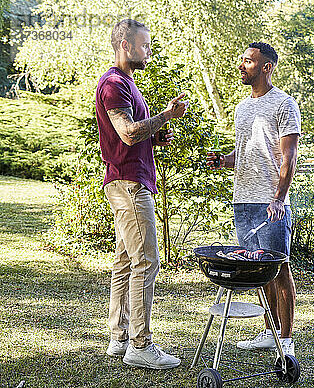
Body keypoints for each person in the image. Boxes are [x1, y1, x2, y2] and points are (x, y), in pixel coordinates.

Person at [95, 19, 187, 370]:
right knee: (147, 261)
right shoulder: (114, 84)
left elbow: (134, 135)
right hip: (130, 184)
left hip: (126, 180)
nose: (148, 50)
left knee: (124, 261)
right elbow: (129, 134)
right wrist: (165, 116)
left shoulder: (126, 84)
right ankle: (140, 344)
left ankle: (119, 338)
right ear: (124, 45)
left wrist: (156, 134)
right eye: (144, 45)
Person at [207, 42, 300, 357]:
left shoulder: (284, 104)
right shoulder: (242, 108)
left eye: (248, 61)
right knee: (260, 271)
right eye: (242, 60)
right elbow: (246, 152)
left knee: (280, 269)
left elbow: (289, 156)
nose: (241, 66)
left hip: (270, 202)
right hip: (243, 201)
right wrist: (223, 161)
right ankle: (268, 332)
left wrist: (279, 197)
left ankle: (284, 340)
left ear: (267, 67)